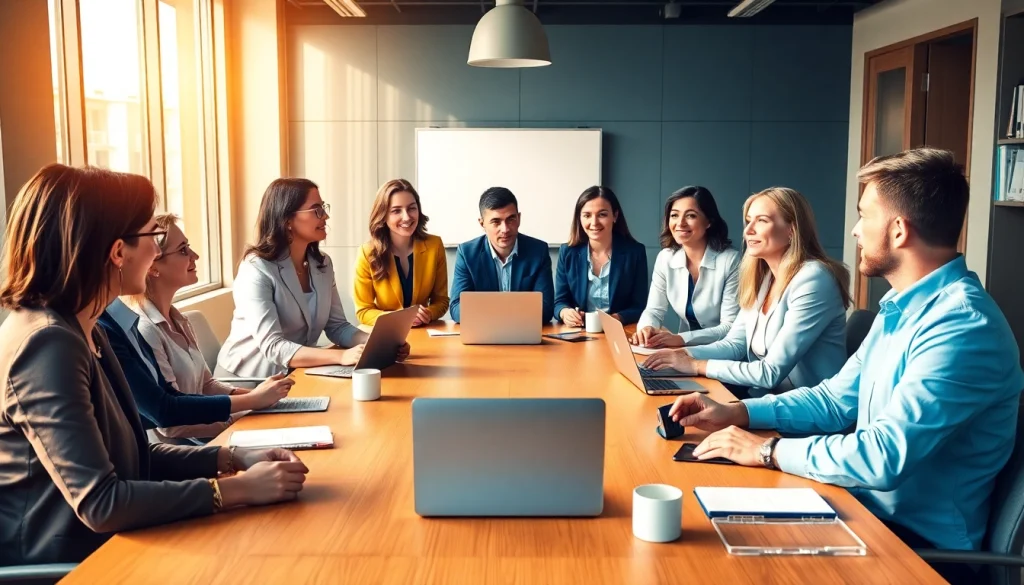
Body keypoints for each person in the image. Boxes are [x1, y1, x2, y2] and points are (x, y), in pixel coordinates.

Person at [664, 149, 1023, 585]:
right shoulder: (900, 308)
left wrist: (765, 451)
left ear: (897, 230)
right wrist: (739, 413)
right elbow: (835, 400)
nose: (854, 230)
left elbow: (882, 457)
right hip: (860, 509)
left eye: (863, 215)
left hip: (915, 550)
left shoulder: (963, 327)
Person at [0, 164, 308, 566]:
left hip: (118, 542)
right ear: (117, 252)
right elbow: (102, 502)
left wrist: (231, 459)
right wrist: (236, 491)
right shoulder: (48, 344)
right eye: (152, 236)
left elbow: (136, 459)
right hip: (75, 563)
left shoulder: (85, 328)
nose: (155, 248)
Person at [643, 187, 850, 398]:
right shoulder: (765, 277)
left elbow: (770, 373)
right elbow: (734, 345)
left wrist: (696, 365)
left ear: (792, 230)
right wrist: (678, 356)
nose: (748, 230)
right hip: (770, 399)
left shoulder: (814, 278)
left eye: (762, 221)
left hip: (809, 411)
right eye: (748, 220)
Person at [217, 178, 409, 378]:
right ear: (287, 220)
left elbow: (337, 326)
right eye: (316, 209)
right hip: (246, 381)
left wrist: (379, 344)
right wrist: (341, 356)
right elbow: (274, 347)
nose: (325, 216)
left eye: (324, 208)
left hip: (294, 376)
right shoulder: (256, 269)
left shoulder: (322, 263)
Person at [126, 214, 293, 441]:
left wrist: (260, 396)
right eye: (183, 250)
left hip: (216, 431)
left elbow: (206, 384)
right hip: (191, 447)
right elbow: (171, 428)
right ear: (153, 266)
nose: (195, 256)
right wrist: (246, 410)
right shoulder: (145, 330)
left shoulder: (181, 320)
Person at [631, 186, 741, 348]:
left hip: (722, 351)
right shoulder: (666, 257)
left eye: (690, 216)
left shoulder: (731, 260)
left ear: (709, 221)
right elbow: (654, 310)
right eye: (674, 215)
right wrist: (647, 328)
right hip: (684, 349)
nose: (680, 223)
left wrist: (681, 339)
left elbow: (729, 326)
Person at [449, 187, 554, 324]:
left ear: (519, 218)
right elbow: (456, 308)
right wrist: (507, 314)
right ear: (482, 224)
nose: (505, 229)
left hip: (524, 334)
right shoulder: (467, 253)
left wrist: (489, 312)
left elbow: (546, 309)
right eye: (496, 222)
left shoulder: (538, 251)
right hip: (484, 333)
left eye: (511, 219)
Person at [353, 179, 449, 326]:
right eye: (396, 211)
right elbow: (363, 310)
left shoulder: (434, 246)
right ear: (383, 215)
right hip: (386, 333)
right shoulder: (367, 253)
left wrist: (428, 313)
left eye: (411, 208)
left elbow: (441, 301)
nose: (407, 217)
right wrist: (398, 319)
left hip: (423, 333)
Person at [553, 186, 648, 327]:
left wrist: (615, 319)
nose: (594, 222)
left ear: (614, 216)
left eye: (602, 214)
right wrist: (565, 312)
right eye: (587, 215)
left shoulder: (635, 252)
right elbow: (559, 302)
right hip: (579, 332)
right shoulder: (568, 252)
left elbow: (639, 306)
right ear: (579, 218)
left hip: (619, 330)